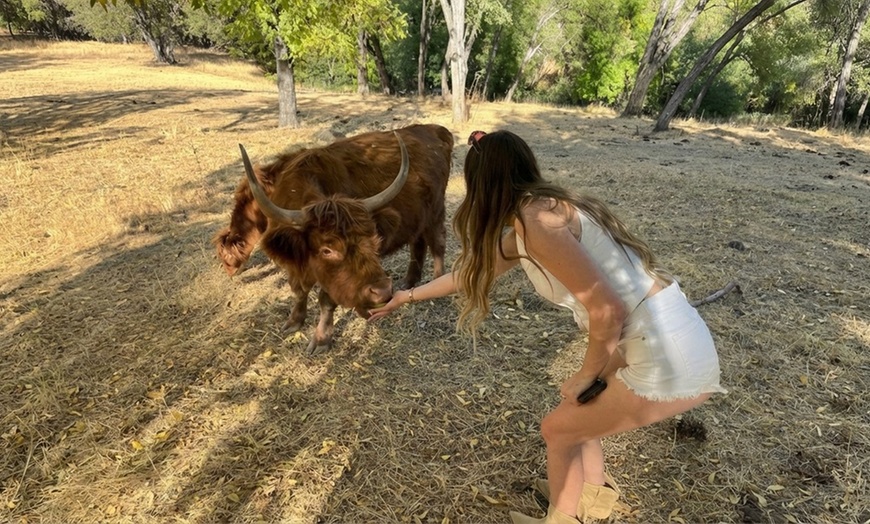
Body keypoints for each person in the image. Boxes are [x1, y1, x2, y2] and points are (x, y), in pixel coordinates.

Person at [368, 130, 727, 524]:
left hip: (665, 354)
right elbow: (473, 271)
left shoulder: (536, 221)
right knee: (578, 412)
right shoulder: (546, 211)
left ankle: (563, 517)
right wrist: (407, 295)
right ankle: (594, 496)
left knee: (557, 430)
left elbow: (607, 310)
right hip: (671, 334)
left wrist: (587, 373)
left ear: (480, 186)